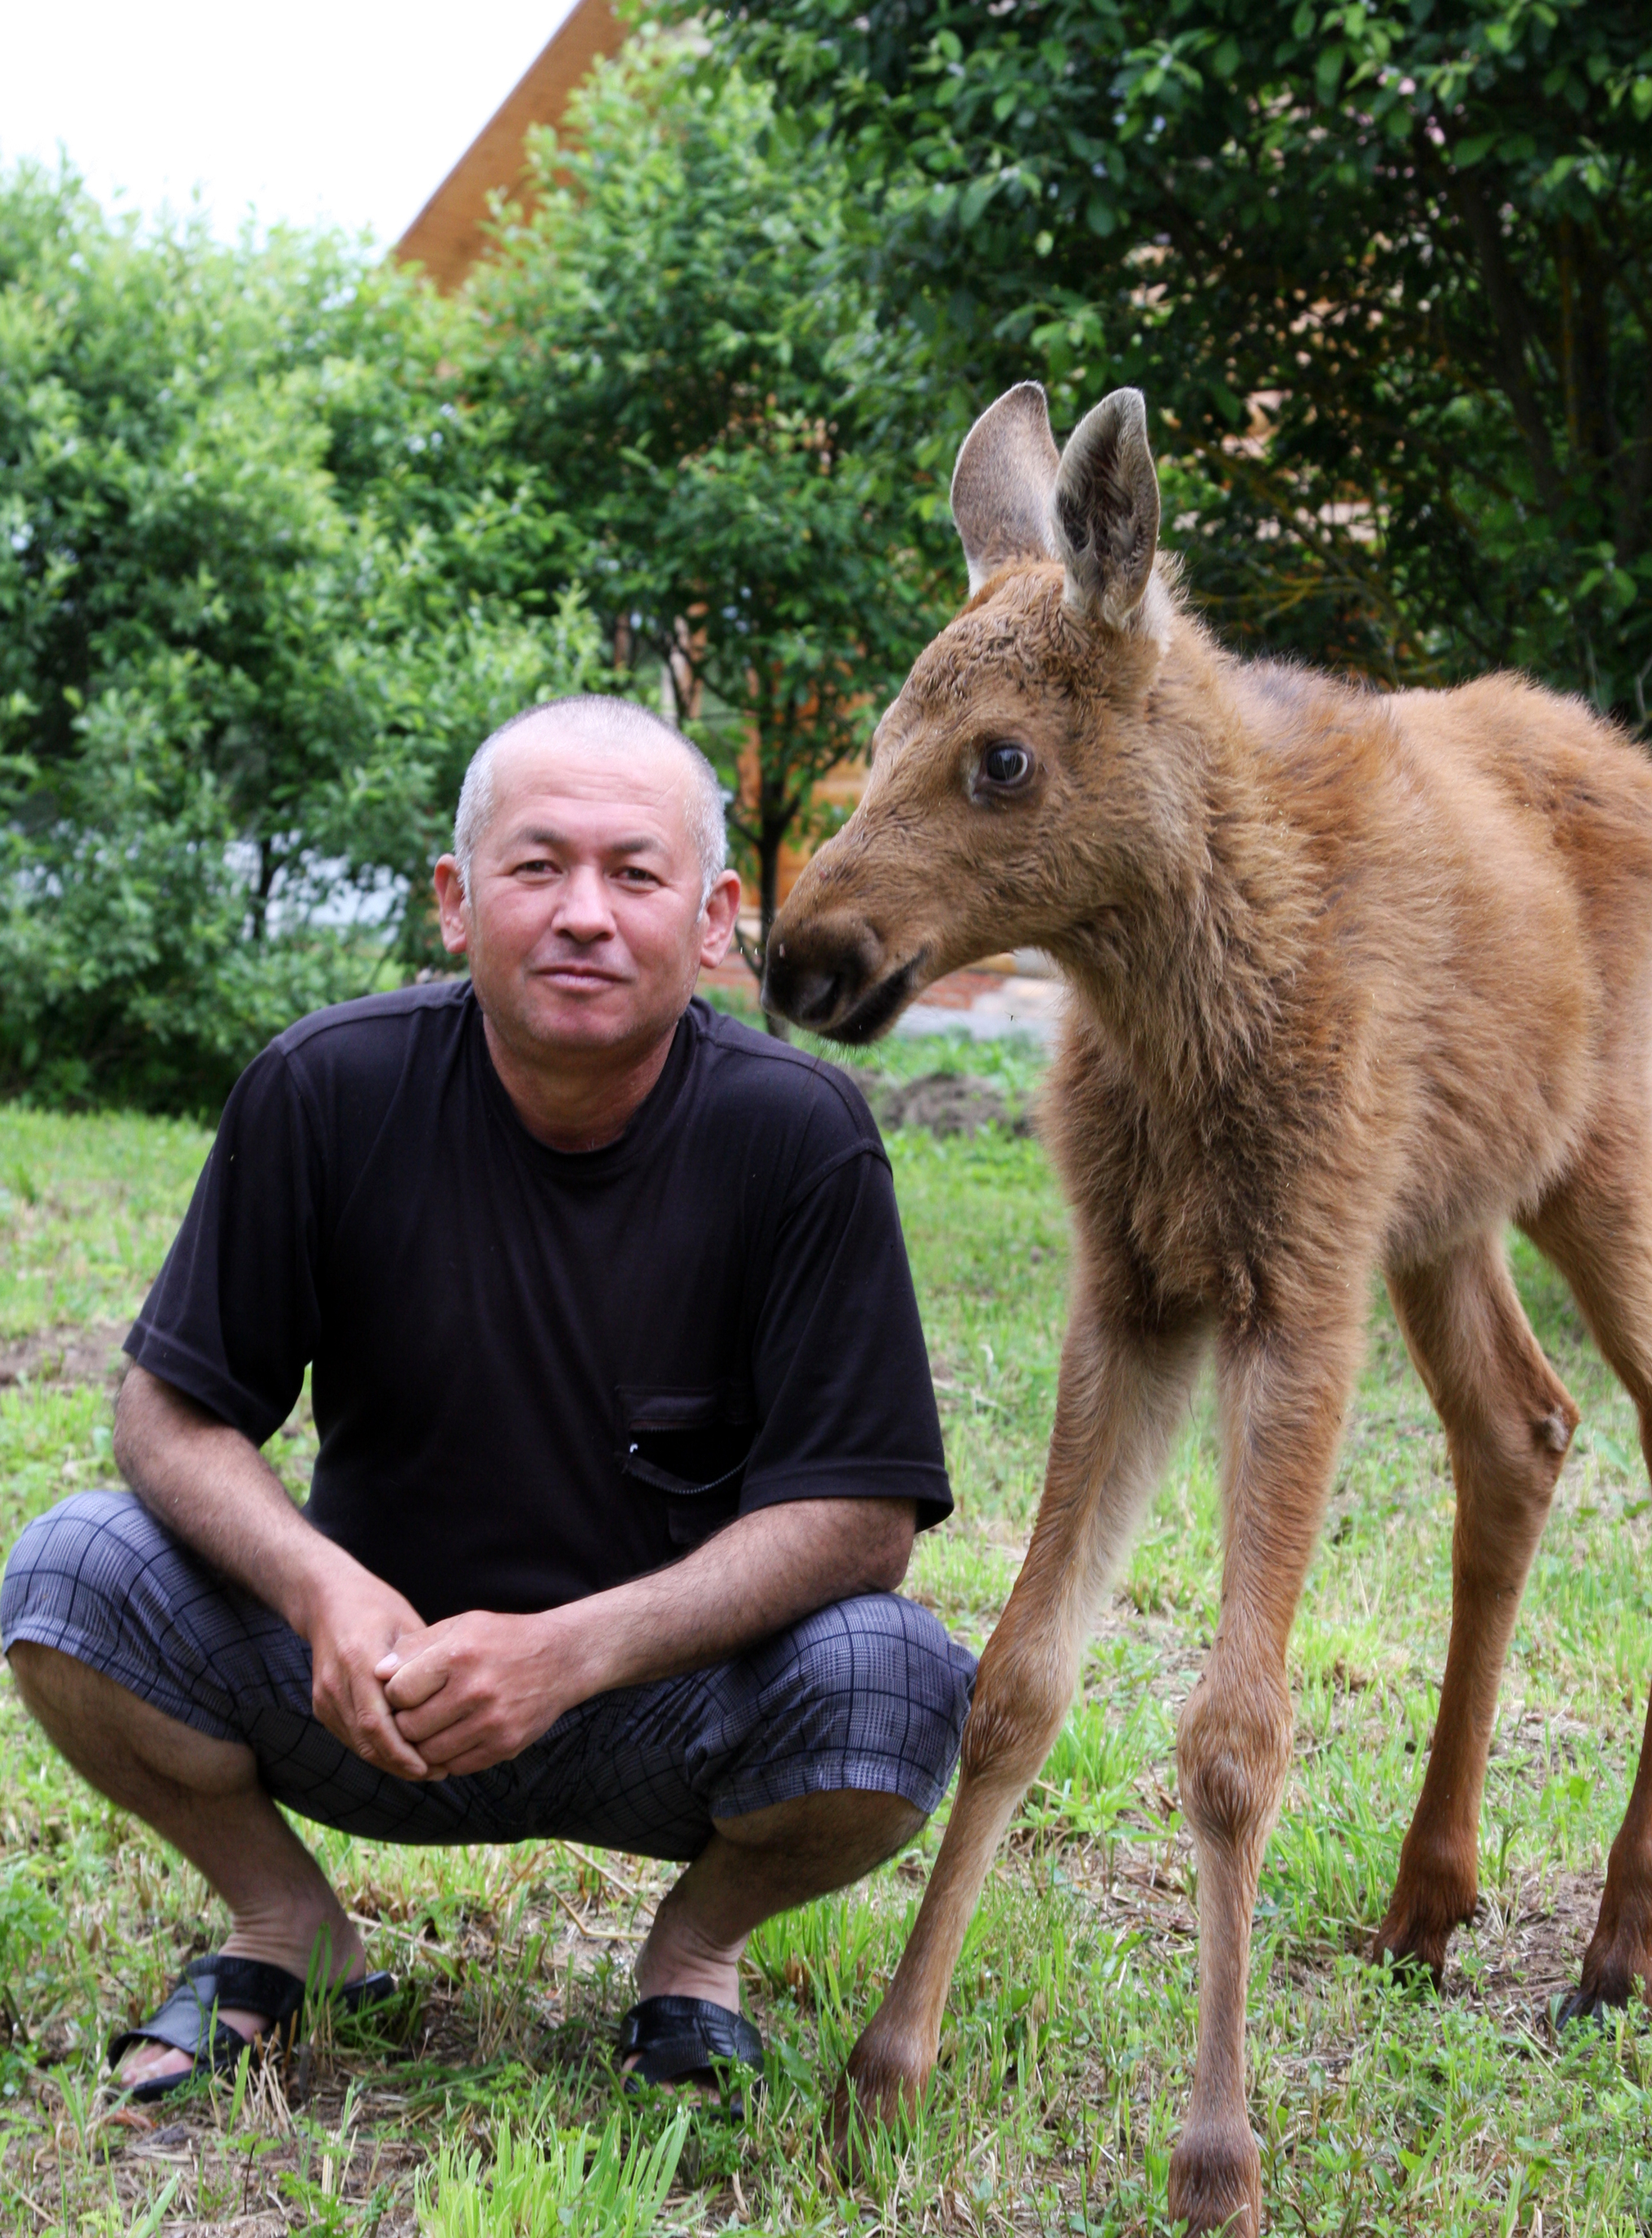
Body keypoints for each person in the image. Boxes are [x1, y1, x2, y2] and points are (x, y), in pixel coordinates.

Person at [1, 695, 974, 2101]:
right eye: (537, 867)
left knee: (896, 1677)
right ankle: (287, 1926)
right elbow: (169, 1412)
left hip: (666, 1708)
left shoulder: (798, 1137)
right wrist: (321, 1593)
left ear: (715, 923)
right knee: (70, 1573)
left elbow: (862, 1521)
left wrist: (571, 1652)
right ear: (458, 902)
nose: (584, 913)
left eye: (634, 874)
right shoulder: (323, 1090)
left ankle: (692, 1962)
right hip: (367, 1692)